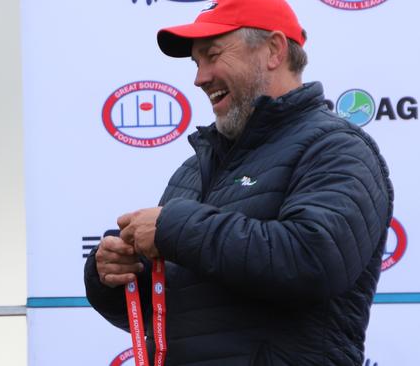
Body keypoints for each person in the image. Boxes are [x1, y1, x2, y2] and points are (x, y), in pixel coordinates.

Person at [84, 0, 393, 364]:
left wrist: (175, 228)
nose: (199, 77)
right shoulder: (193, 169)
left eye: (212, 55)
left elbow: (314, 261)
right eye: (197, 63)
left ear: (274, 50)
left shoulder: (336, 148)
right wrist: (116, 275)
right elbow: (182, 316)